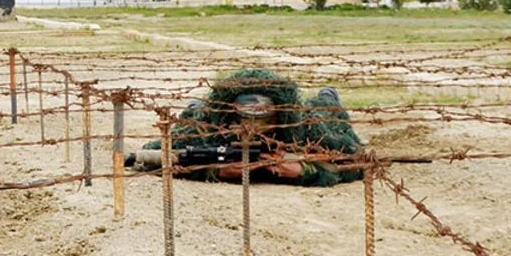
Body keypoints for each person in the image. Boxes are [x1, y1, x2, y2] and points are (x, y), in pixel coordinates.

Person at [140, 68, 363, 187]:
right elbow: (152, 157)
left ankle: (328, 93)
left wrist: (304, 171)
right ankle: (195, 105)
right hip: (209, 121)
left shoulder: (304, 128)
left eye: (263, 121)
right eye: (244, 120)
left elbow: (358, 164)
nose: (252, 131)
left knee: (326, 106)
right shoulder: (210, 128)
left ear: (279, 118)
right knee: (195, 113)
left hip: (314, 116)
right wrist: (215, 171)